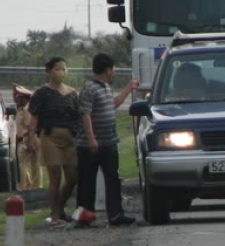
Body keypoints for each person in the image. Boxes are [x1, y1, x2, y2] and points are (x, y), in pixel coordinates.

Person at [76, 53, 140, 226]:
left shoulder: (105, 87)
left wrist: (129, 88)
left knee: (113, 179)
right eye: (113, 69)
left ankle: (116, 215)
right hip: (91, 145)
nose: (114, 73)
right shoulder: (89, 88)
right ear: (107, 69)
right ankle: (85, 216)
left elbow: (114, 104)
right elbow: (86, 115)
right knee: (87, 181)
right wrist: (91, 139)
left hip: (109, 142)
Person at [26, 57, 80, 227]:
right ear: (49, 71)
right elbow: (34, 117)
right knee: (55, 175)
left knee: (72, 178)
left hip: (70, 138)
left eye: (64, 69)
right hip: (50, 136)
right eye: (57, 69)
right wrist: (31, 137)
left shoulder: (72, 93)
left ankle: (61, 208)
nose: (61, 72)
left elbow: (78, 117)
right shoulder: (42, 93)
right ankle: (54, 214)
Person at [13, 84, 43, 191]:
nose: (16, 100)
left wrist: (30, 141)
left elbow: (31, 126)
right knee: (32, 165)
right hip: (28, 139)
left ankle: (27, 187)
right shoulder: (23, 109)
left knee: (26, 165)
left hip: (28, 139)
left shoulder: (28, 110)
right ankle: (33, 186)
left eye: (18, 98)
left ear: (23, 98)